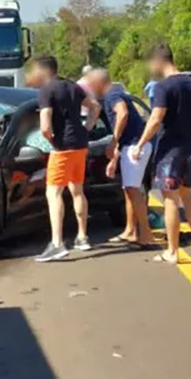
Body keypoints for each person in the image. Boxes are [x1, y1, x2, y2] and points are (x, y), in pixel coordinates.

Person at [131, 45, 191, 264]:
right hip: (188, 146)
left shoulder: (164, 87)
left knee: (170, 199)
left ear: (159, 61)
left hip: (170, 150)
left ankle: (172, 251)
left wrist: (140, 144)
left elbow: (156, 118)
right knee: (187, 195)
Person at [32, 56, 102, 262]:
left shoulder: (47, 91)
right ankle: (82, 237)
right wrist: (87, 128)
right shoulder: (72, 86)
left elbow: (45, 126)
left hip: (62, 147)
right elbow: (95, 106)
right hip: (80, 145)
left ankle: (57, 243)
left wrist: (52, 140)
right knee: (77, 189)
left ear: (44, 71)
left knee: (53, 193)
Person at [88, 69, 154, 248]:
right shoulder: (113, 94)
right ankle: (130, 230)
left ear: (99, 83)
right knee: (128, 190)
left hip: (134, 146)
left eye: (91, 84)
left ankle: (146, 234)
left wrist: (113, 141)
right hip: (129, 145)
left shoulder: (112, 95)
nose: (90, 88)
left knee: (133, 190)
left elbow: (122, 113)